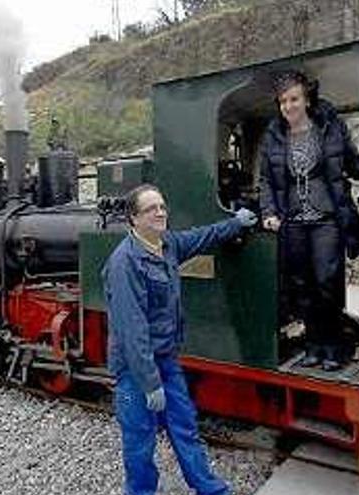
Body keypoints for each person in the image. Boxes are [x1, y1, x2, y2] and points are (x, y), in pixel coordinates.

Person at [102, 184, 257, 495]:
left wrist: (235, 223)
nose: (160, 213)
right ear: (133, 218)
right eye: (150, 209)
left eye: (162, 206)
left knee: (185, 427)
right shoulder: (125, 263)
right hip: (135, 368)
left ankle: (210, 489)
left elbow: (202, 237)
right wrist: (149, 382)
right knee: (139, 440)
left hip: (166, 359)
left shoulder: (167, 245)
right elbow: (132, 331)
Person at [259, 69, 359, 372]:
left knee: (326, 283)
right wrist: (269, 213)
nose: (288, 106)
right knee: (301, 287)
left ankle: (335, 347)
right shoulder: (274, 135)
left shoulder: (329, 127)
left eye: (294, 99)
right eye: (283, 101)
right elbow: (266, 180)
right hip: (293, 220)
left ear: (306, 99)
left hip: (326, 219)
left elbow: (353, 161)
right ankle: (313, 346)